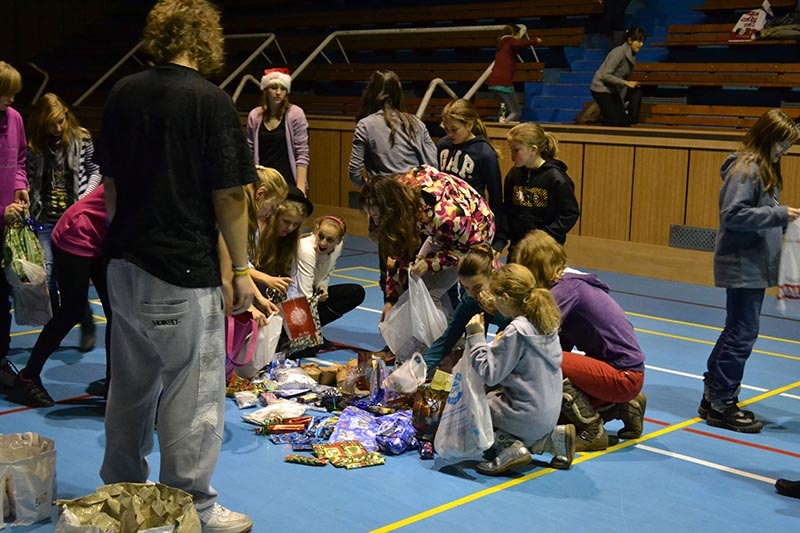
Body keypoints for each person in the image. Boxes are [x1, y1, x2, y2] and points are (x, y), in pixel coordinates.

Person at [96, 2, 257, 532]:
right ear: (207, 40)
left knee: (129, 387)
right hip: (181, 271)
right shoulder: (210, 101)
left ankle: (121, 493)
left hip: (122, 264)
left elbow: (110, 188)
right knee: (193, 396)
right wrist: (240, 270)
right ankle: (193, 508)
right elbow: (229, 195)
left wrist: (130, 241)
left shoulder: (122, 93)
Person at [700, 108, 800, 433]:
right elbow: (733, 215)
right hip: (742, 265)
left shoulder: (764, 169)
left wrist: (782, 221)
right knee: (742, 334)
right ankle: (722, 403)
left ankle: (713, 395)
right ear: (769, 138)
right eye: (783, 143)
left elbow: (760, 213)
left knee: (735, 330)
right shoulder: (747, 169)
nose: (785, 150)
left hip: (753, 265)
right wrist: (780, 215)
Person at [514, 230, 647, 452]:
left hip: (624, 376)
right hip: (626, 373)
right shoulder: (571, 283)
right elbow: (557, 342)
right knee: (558, 412)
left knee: (546, 362)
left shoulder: (565, 290)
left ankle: (592, 430)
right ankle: (624, 407)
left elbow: (531, 337)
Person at [465, 263, 575, 475]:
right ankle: (553, 439)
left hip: (527, 415)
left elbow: (490, 374)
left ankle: (509, 446)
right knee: (501, 399)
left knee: (477, 406)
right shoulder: (544, 322)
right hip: (549, 414)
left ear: (505, 299)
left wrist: (476, 337)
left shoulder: (516, 330)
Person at [11, 185, 110, 407]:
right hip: (76, 231)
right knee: (72, 311)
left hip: (102, 236)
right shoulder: (144, 174)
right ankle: (28, 377)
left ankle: (114, 383)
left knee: (117, 314)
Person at [359, 165, 495, 320]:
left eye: (376, 216)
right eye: (370, 215)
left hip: (476, 232)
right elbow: (396, 252)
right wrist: (391, 298)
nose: (374, 221)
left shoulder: (444, 215)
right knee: (415, 280)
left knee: (431, 293)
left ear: (390, 210)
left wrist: (431, 263)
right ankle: (443, 330)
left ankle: (447, 333)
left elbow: (468, 248)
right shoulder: (397, 193)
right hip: (441, 230)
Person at [25, 92, 101, 352]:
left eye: (61, 121)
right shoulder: (34, 145)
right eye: (51, 124)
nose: (58, 128)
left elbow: (95, 170)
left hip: (74, 221)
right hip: (45, 219)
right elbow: (30, 179)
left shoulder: (82, 138)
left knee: (73, 283)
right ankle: (57, 326)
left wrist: (85, 199)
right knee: (48, 276)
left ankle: (86, 322)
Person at [493, 122, 580, 257]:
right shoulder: (514, 175)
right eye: (511, 149)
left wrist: (544, 237)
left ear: (533, 150)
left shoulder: (556, 178)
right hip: (518, 248)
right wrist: (499, 242)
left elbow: (570, 213)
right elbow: (508, 211)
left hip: (545, 250)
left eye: (516, 150)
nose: (512, 155)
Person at [422, 243, 510, 373]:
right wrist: (417, 369)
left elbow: (519, 332)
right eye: (466, 288)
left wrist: (496, 312)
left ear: (492, 275)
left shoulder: (508, 294)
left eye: (477, 288)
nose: (472, 294)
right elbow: (448, 338)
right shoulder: (471, 300)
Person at [218, 165, 287, 321]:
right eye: (273, 206)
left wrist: (260, 300)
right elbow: (234, 266)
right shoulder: (235, 220)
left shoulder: (251, 222)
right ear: (260, 194)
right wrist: (250, 306)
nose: (273, 213)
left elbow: (242, 266)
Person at [348, 69, 437, 187]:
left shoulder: (365, 125)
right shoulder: (416, 123)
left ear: (370, 92)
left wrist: (368, 186)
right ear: (399, 93)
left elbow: (354, 173)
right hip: (413, 194)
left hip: (381, 194)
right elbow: (432, 165)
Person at [0, 61, 30, 389]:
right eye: (5, 93)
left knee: (3, 298)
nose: (11, 99)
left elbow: (20, 158)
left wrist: (20, 184)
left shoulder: (15, 118)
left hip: (7, 228)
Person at [438, 99, 503, 246]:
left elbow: (496, 196)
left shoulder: (484, 153)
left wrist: (496, 238)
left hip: (472, 223)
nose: (450, 134)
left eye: (454, 129)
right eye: (446, 129)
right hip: (446, 218)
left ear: (469, 125)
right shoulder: (443, 145)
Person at [293, 215, 365, 329]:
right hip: (292, 299)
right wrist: (311, 332)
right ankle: (292, 332)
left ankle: (311, 329)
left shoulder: (337, 247)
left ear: (338, 241)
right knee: (309, 339)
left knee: (355, 292)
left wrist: (322, 286)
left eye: (330, 240)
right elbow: (304, 294)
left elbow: (326, 274)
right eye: (320, 236)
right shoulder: (306, 250)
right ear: (316, 230)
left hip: (309, 295)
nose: (323, 243)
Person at [246, 68, 309, 193]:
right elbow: (249, 152)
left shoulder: (296, 114)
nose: (278, 92)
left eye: (283, 88)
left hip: (288, 182)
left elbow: (302, 153)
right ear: (266, 90)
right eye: (274, 88)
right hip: (263, 182)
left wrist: (300, 188)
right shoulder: (254, 115)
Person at [590, 27, 646, 127]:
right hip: (601, 89)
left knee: (624, 123)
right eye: (638, 41)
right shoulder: (619, 52)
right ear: (630, 40)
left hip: (613, 90)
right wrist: (626, 83)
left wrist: (621, 103)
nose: (641, 44)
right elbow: (605, 75)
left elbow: (623, 82)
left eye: (642, 41)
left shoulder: (632, 56)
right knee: (614, 122)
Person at [487, 24, 542, 123]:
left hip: (493, 83)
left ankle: (501, 119)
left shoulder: (501, 44)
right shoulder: (509, 40)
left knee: (503, 105)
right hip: (503, 83)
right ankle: (502, 125)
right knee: (516, 112)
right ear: (513, 33)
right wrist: (534, 41)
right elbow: (519, 44)